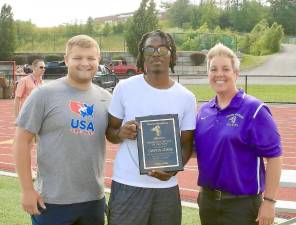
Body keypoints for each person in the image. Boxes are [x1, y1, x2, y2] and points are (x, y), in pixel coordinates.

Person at [14, 35, 111, 225]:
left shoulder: (107, 98)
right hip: (52, 201)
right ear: (66, 60)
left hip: (94, 199)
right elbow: (21, 142)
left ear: (98, 61)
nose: (85, 63)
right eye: (77, 58)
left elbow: (117, 137)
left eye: (91, 58)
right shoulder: (43, 94)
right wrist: (27, 190)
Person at [106, 30, 197, 225]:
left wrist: (171, 172)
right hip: (128, 184)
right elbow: (110, 132)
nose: (156, 54)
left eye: (162, 49)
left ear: (171, 55)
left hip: (166, 189)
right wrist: (121, 133)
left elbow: (186, 145)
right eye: (150, 49)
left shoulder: (186, 97)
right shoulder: (124, 88)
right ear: (142, 55)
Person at [194, 43, 282, 225]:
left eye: (226, 69)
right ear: (208, 74)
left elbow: (274, 157)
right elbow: (199, 151)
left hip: (242, 205)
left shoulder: (255, 110)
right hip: (208, 203)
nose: (219, 74)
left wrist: (269, 202)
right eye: (213, 69)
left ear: (236, 73)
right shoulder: (204, 111)